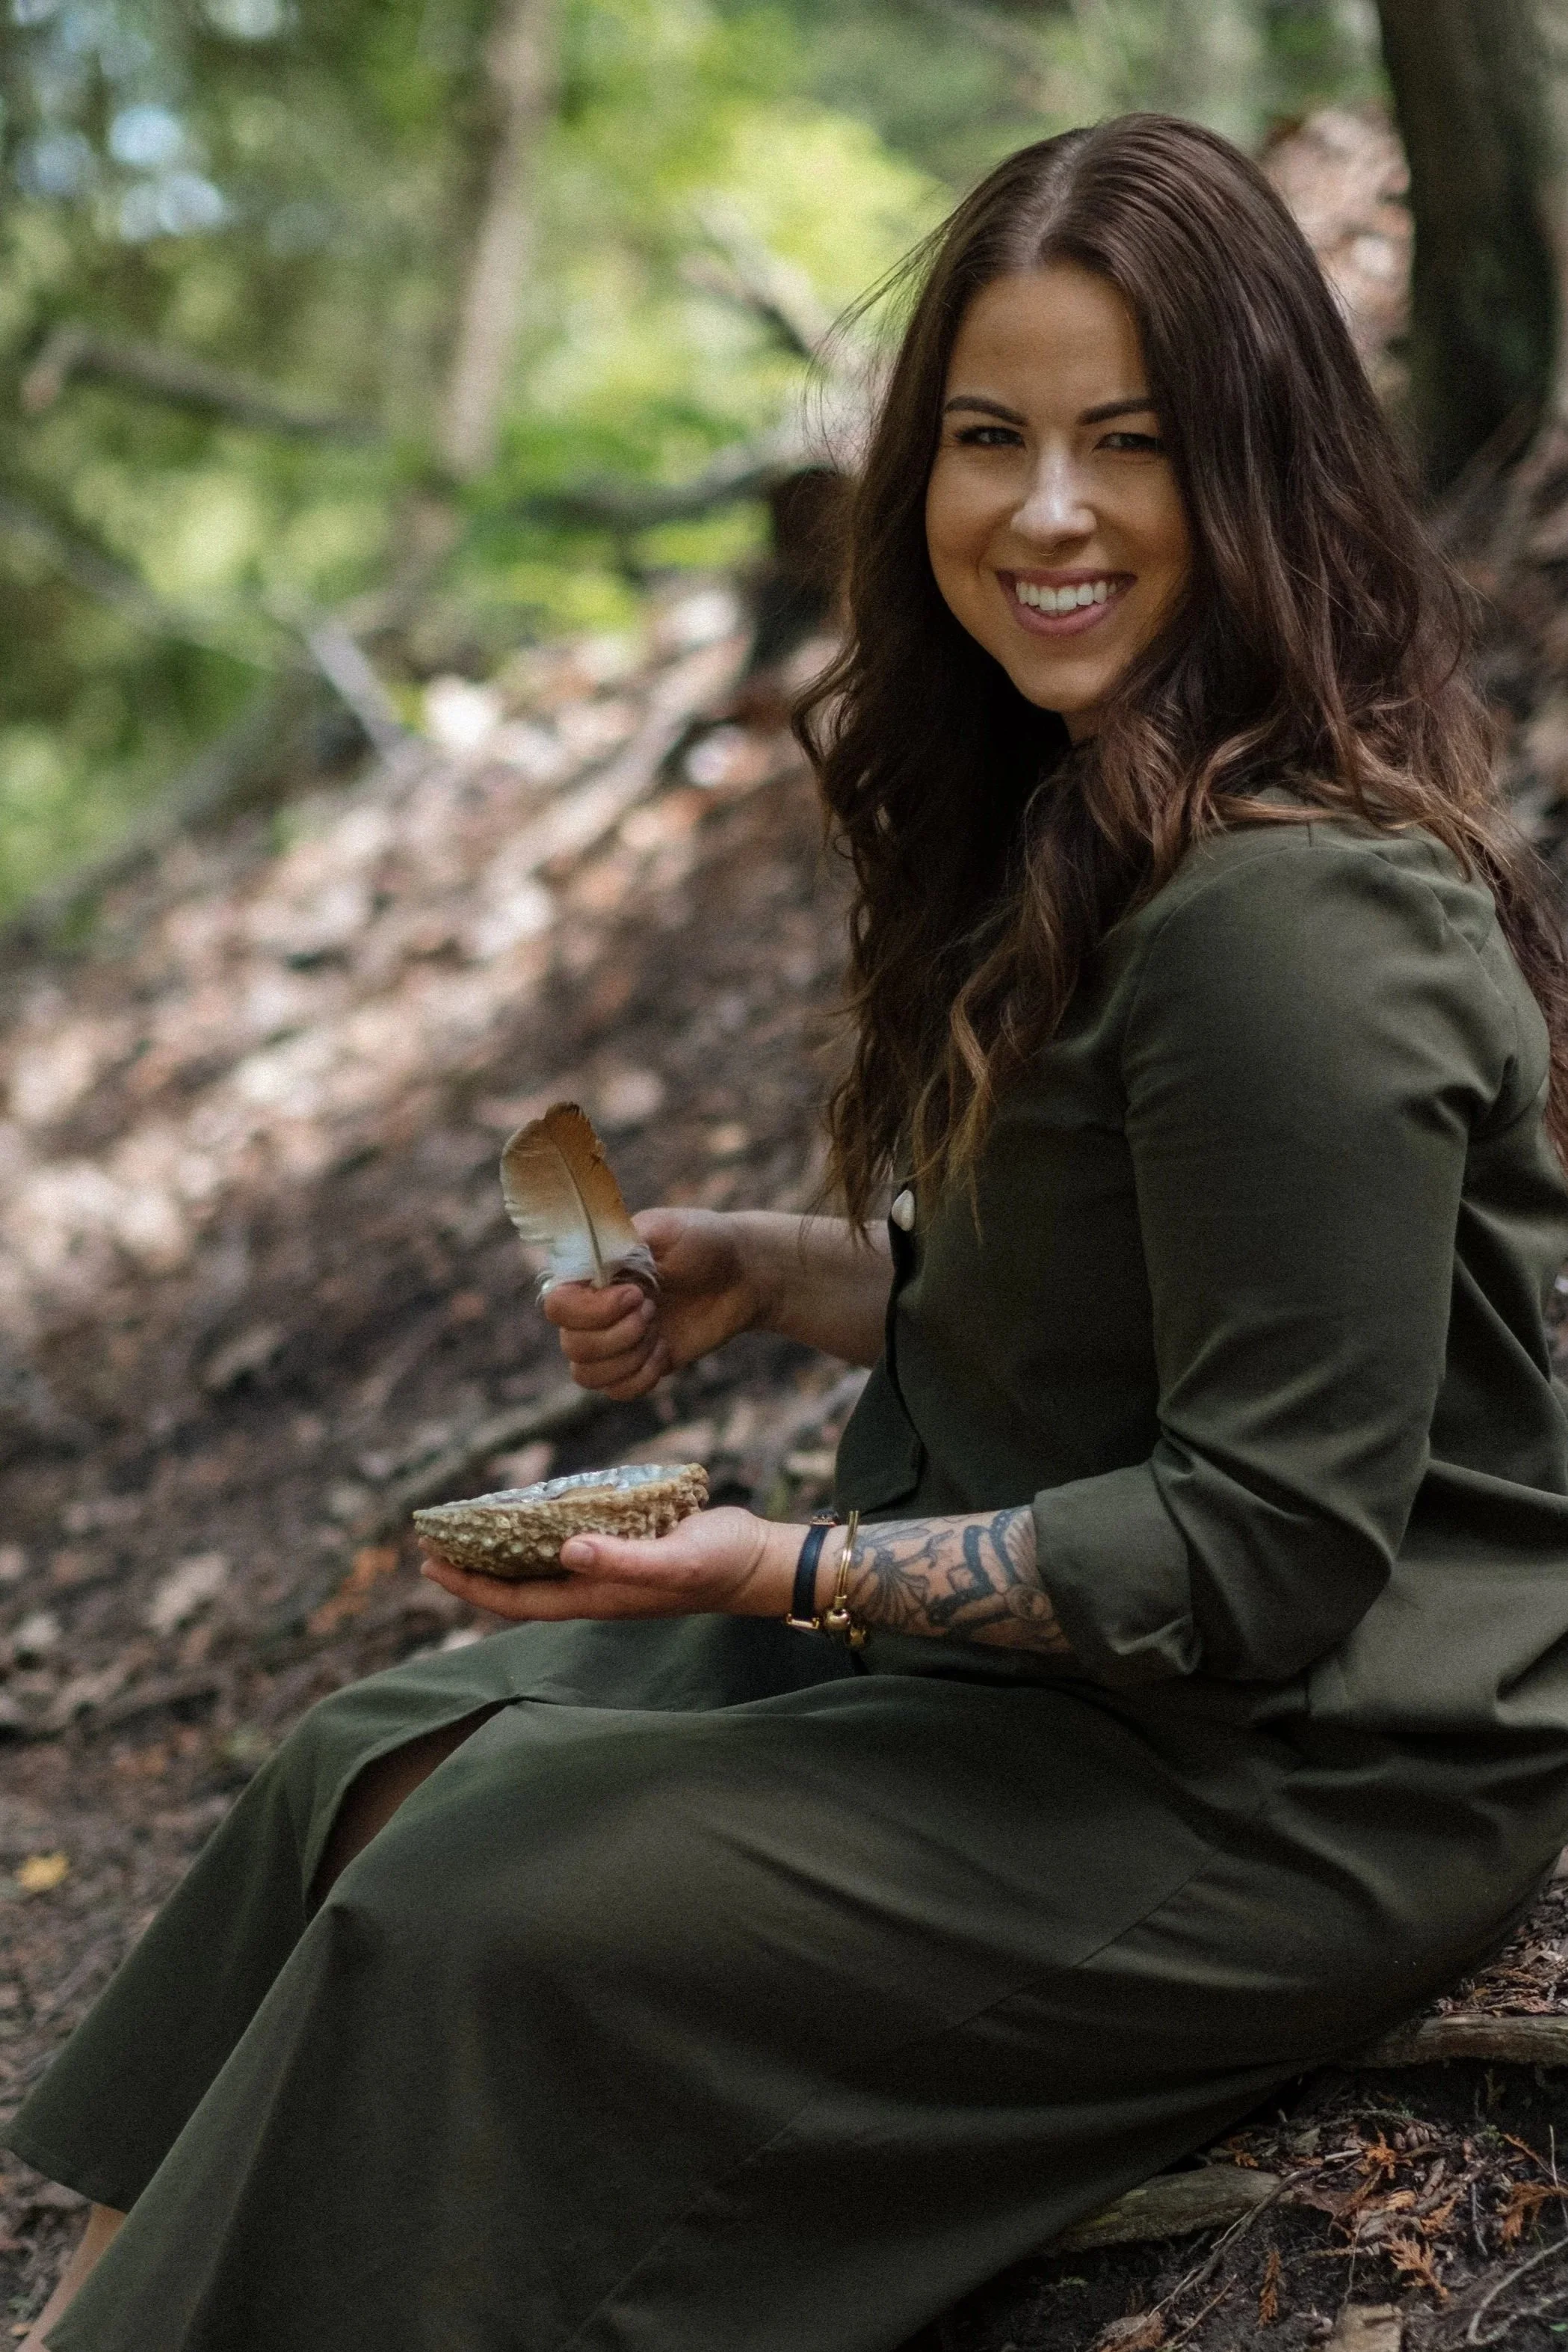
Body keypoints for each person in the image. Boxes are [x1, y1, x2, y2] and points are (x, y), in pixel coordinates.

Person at [13, 111, 1568, 2352]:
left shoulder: (1290, 923)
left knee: (476, 1915)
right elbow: (1147, 1292)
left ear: (1257, 472)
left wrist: (797, 1568)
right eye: (990, 438)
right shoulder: (1097, 807)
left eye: (1129, 444)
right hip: (1113, 1679)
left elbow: (1268, 1553)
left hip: (1297, 1779)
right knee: (374, 1768)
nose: (1047, 512)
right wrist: (812, 1274)